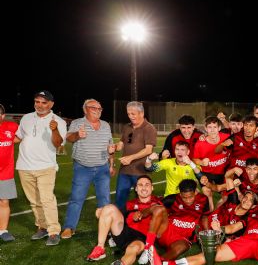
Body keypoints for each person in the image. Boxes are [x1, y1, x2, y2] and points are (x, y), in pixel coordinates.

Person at [15, 90, 67, 246]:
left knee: (47, 199)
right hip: (24, 166)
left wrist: (54, 129)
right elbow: (18, 137)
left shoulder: (58, 121)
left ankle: (53, 231)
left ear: (51, 104)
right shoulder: (26, 118)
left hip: (46, 167)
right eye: (37, 101)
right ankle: (42, 227)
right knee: (34, 201)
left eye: (44, 102)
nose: (40, 105)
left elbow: (58, 144)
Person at [89, 175, 163, 265]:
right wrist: (102, 212)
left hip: (141, 238)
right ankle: (100, 248)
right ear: (136, 189)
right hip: (124, 233)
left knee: (133, 249)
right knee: (108, 208)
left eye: (147, 185)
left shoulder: (160, 202)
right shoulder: (130, 203)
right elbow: (116, 215)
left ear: (152, 187)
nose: (144, 188)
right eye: (140, 185)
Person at [61, 99, 116, 239]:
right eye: (93, 108)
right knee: (76, 198)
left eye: (100, 108)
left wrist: (111, 164)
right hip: (82, 168)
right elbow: (69, 138)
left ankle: (107, 228)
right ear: (85, 109)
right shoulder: (77, 123)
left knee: (104, 200)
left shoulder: (105, 125)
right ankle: (69, 227)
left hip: (103, 168)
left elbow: (110, 145)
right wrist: (77, 135)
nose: (97, 110)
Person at [114, 101, 157, 212]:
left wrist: (130, 158)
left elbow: (148, 150)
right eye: (128, 114)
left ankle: (141, 226)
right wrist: (113, 147)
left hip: (141, 172)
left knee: (143, 201)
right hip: (125, 171)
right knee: (120, 200)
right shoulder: (127, 127)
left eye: (133, 114)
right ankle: (119, 227)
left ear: (141, 113)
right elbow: (121, 145)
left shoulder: (149, 128)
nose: (130, 116)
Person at [0, 103, 19, 242]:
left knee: (4, 201)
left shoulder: (11, 127)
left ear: (2, 116)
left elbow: (21, 137)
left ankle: (3, 230)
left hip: (5, 172)